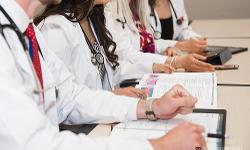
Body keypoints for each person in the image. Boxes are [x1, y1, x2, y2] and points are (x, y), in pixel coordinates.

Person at [0, 0, 207, 150]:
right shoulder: (40, 32)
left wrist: (152, 107)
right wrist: (157, 146)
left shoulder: (28, 31)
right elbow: (35, 144)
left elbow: (70, 97)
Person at [34, 0, 176, 99]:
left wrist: (151, 67)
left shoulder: (91, 19)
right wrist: (112, 96)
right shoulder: (55, 30)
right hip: (79, 131)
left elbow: (110, 71)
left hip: (100, 117)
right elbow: (64, 101)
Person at [105, 0, 215, 72]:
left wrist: (166, 49)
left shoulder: (135, 5)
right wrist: (174, 61)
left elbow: (147, 41)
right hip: (127, 76)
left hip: (144, 68)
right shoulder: (112, 8)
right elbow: (126, 54)